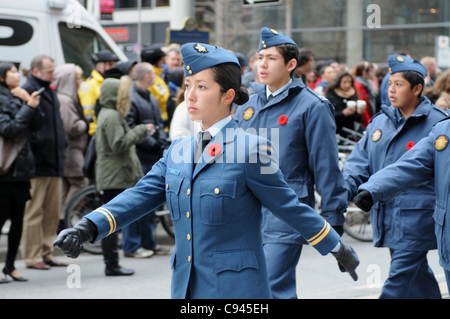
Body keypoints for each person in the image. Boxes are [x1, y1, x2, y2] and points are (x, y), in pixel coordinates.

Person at [54, 42, 359, 299]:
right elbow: (140, 195)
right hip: (186, 286)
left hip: (236, 290)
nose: (190, 95)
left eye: (202, 87)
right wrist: (89, 227)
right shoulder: (179, 150)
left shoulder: (252, 149)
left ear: (228, 96)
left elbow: (288, 207)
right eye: (188, 86)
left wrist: (335, 245)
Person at [234, 28, 349, 299]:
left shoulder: (312, 106)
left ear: (291, 65)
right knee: (250, 288)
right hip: (246, 209)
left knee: (272, 287)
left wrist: (334, 216)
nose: (262, 64)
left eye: (271, 58)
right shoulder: (247, 104)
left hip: (287, 210)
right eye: (260, 57)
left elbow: (326, 165)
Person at [343, 55, 448, 299]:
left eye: (399, 84)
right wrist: (344, 191)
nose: (391, 90)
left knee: (397, 282)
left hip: (418, 218)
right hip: (386, 214)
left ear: (417, 89)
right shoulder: (380, 122)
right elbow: (358, 163)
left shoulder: (438, 124)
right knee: (418, 279)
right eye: (389, 83)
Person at [94, 75, 154, 275]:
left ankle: (112, 263)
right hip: (114, 176)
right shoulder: (110, 115)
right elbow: (118, 144)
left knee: (112, 220)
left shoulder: (110, 113)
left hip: (115, 174)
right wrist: (140, 130)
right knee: (111, 221)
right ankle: (111, 264)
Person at [21, 55, 68, 270]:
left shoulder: (49, 89)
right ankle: (32, 255)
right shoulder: (29, 90)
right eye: (49, 71)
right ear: (36, 71)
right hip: (38, 162)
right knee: (34, 212)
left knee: (51, 212)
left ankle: (46, 252)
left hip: (54, 159)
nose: (53, 74)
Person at [0, 63, 43, 283]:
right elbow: (8, 129)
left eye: (18, 71)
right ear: (2, 77)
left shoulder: (18, 95)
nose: (17, 75)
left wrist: (28, 100)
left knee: (18, 221)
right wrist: (28, 106)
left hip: (21, 169)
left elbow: (37, 124)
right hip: (4, 172)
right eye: (12, 72)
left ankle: (10, 266)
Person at [123, 62, 170, 258]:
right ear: (146, 77)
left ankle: (149, 243)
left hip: (152, 156)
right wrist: (153, 143)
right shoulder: (132, 99)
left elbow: (157, 124)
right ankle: (132, 246)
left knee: (151, 202)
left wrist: (161, 141)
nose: (156, 76)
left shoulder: (149, 96)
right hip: (140, 157)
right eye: (153, 74)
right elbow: (130, 127)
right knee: (136, 202)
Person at [52, 64, 89, 232]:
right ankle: (64, 216)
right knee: (80, 182)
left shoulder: (60, 97)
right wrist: (84, 122)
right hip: (72, 150)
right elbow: (71, 127)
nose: (80, 82)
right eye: (77, 79)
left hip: (67, 150)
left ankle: (60, 218)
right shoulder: (66, 100)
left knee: (66, 185)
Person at [78, 50, 119, 136]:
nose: (113, 67)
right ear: (100, 66)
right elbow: (87, 112)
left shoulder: (108, 82)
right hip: (98, 132)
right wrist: (95, 131)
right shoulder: (89, 85)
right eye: (110, 64)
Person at [325, 70, 363, 138]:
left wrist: (359, 112)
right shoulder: (331, 95)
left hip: (351, 132)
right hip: (336, 133)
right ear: (339, 82)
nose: (347, 85)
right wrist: (343, 113)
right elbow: (327, 116)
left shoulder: (353, 94)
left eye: (349, 82)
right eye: (344, 82)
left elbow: (357, 119)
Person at [141, 46, 170, 130]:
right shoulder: (149, 79)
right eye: (161, 60)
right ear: (155, 62)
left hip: (163, 123)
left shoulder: (157, 77)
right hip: (158, 125)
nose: (162, 63)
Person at [353, 61, 376, 128]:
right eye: (371, 71)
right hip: (364, 121)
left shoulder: (366, 83)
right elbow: (363, 105)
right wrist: (369, 121)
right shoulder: (359, 85)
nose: (373, 73)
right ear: (364, 73)